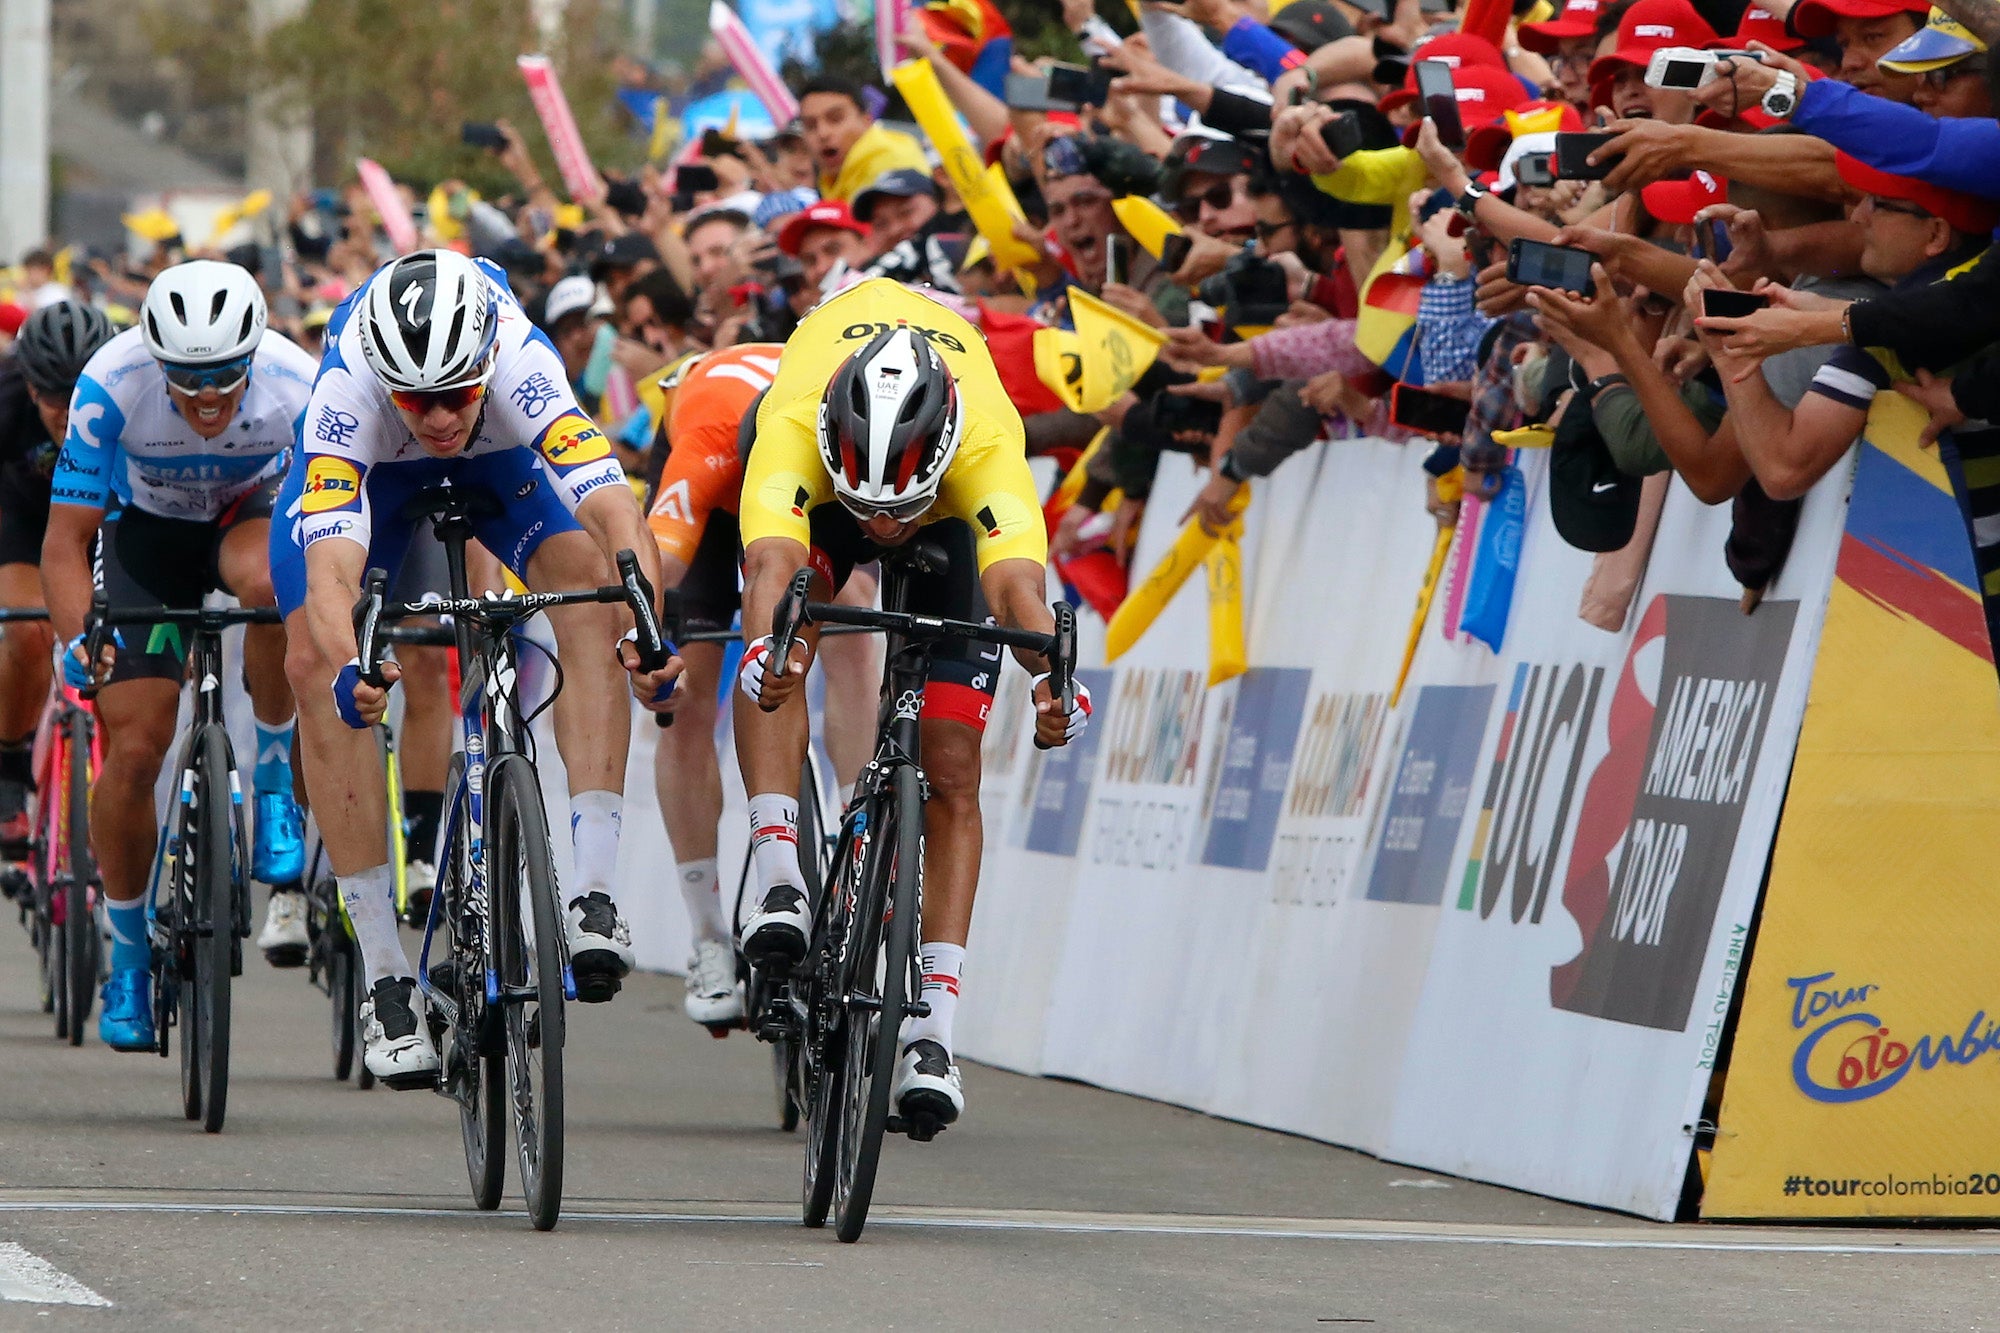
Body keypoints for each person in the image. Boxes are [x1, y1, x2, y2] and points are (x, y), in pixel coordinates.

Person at [273, 249, 683, 1084]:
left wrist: (646, 624)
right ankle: (386, 978)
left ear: (488, 363)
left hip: (502, 470)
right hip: (374, 485)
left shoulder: (526, 363)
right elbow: (331, 578)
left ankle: (594, 893)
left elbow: (615, 512)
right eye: (416, 401)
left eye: (457, 394)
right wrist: (356, 663)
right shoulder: (347, 393)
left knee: (598, 595)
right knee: (317, 668)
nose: (438, 418)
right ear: (386, 383)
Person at [732, 277, 1093, 1127]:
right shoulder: (791, 426)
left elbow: (1017, 592)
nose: (885, 528)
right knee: (786, 641)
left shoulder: (989, 446)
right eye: (874, 513)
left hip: (950, 508)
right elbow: (771, 572)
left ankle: (934, 1024)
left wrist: (1052, 682)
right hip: (825, 493)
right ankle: (778, 866)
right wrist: (766, 653)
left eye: (901, 509)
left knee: (952, 765)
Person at [42, 261, 317, 1049]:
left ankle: (269, 780)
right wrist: (74, 638)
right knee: (132, 748)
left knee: (272, 581)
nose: (206, 396)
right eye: (187, 378)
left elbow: (332, 523)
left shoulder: (297, 383)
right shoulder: (111, 382)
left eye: (226, 375)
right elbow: (66, 541)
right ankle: (127, 954)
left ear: (256, 353)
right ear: (154, 356)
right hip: (148, 541)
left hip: (248, 521)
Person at [643, 343, 785, 1026]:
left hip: (800, 491)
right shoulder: (707, 434)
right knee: (688, 698)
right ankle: (708, 940)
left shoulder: (818, 431)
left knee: (847, 631)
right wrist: (645, 641)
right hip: (716, 474)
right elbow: (661, 559)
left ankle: (854, 812)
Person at [0, 303, 115, 849]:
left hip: (107, 526)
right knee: (29, 631)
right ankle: (10, 756)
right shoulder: (4, 399)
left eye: (81, 394)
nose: (69, 413)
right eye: (54, 398)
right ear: (28, 389)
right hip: (24, 524)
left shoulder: (131, 395)